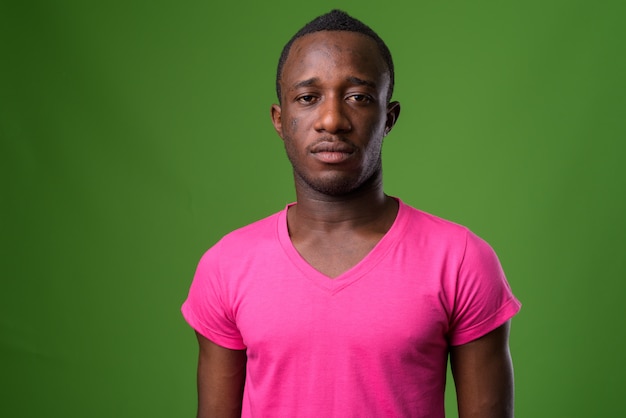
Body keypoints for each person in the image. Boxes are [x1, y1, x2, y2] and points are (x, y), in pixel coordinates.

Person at [182, 9, 521, 418]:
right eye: (308, 98)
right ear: (279, 120)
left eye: (358, 98)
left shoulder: (461, 259)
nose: (332, 120)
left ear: (388, 118)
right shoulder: (226, 265)